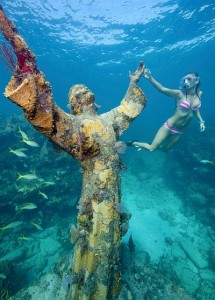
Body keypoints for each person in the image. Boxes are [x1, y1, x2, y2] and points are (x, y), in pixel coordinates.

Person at [0, 5, 147, 299]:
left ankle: (105, 285)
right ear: (75, 104)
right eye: (78, 93)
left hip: (112, 193)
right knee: (94, 242)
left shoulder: (108, 121)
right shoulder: (73, 127)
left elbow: (128, 110)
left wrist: (132, 84)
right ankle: (88, 290)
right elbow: (47, 115)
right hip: (95, 196)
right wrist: (29, 76)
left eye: (86, 90)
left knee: (109, 243)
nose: (85, 93)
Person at [132, 68, 205, 152]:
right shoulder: (179, 94)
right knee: (151, 149)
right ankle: (134, 143)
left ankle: (153, 144)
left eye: (189, 79)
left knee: (165, 149)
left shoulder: (199, 94)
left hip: (180, 130)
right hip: (169, 126)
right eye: (184, 80)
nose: (186, 82)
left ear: (196, 81)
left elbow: (195, 110)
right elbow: (162, 89)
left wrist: (201, 121)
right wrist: (150, 78)